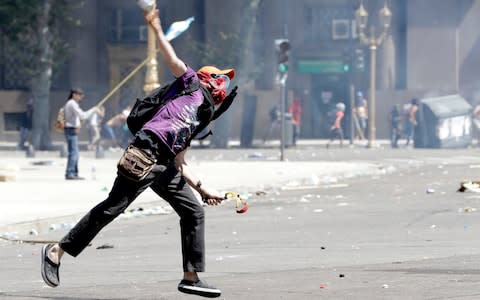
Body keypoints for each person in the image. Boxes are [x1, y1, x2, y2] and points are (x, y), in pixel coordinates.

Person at [40, 9, 237, 299]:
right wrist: (156, 28)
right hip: (145, 153)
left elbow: (181, 162)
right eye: (222, 79)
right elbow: (171, 59)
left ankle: (191, 277)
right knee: (113, 207)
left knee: (193, 210)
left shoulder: (202, 116)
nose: (225, 85)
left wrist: (207, 189)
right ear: (209, 79)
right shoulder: (191, 84)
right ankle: (56, 250)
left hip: (166, 165)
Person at [63, 87, 98, 180]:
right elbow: (82, 115)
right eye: (80, 95)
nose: (81, 97)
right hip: (70, 130)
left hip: (72, 130)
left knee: (75, 153)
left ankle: (73, 173)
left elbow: (76, 118)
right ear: (74, 94)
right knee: (73, 153)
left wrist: (77, 126)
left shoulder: (73, 104)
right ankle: (70, 173)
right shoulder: (72, 103)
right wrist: (93, 110)